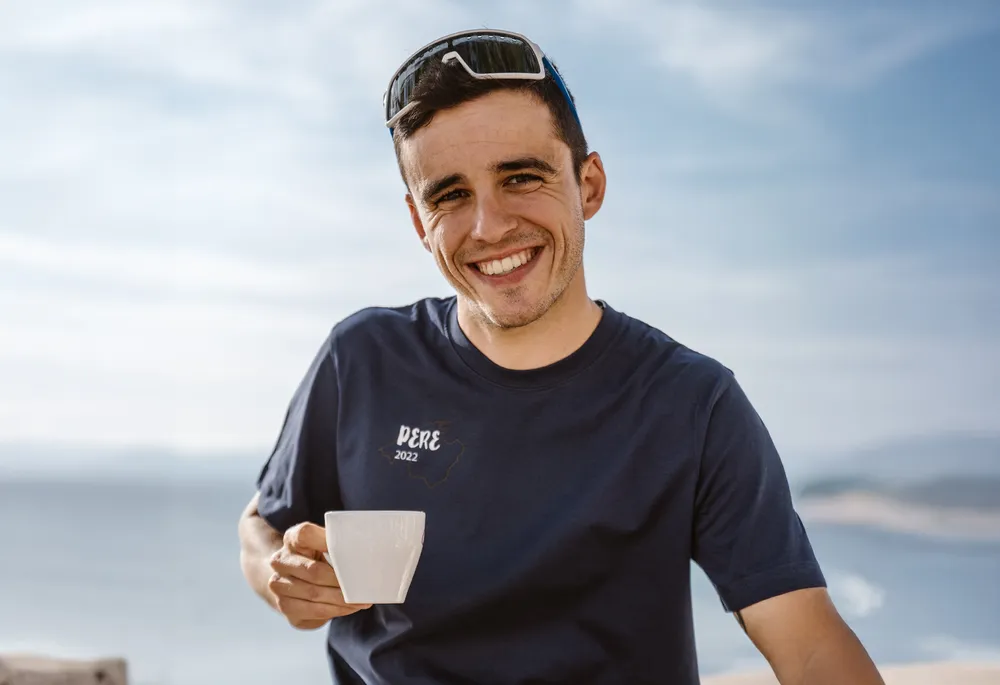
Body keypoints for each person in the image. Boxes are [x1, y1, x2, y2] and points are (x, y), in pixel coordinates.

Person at [238, 28, 885, 685]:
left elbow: (806, 644)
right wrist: (278, 574)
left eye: (520, 177)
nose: (489, 226)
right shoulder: (362, 358)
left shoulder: (693, 403)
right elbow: (263, 522)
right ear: (418, 222)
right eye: (451, 195)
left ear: (590, 184)